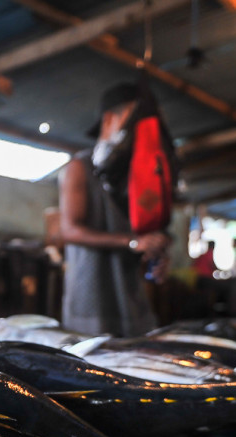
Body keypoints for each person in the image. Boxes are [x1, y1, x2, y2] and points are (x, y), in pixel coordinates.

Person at [59, 82, 171, 337]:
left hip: (131, 303)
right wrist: (132, 243)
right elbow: (70, 230)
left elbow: (149, 232)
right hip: (91, 302)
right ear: (109, 120)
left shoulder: (141, 175)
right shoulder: (80, 167)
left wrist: (156, 251)